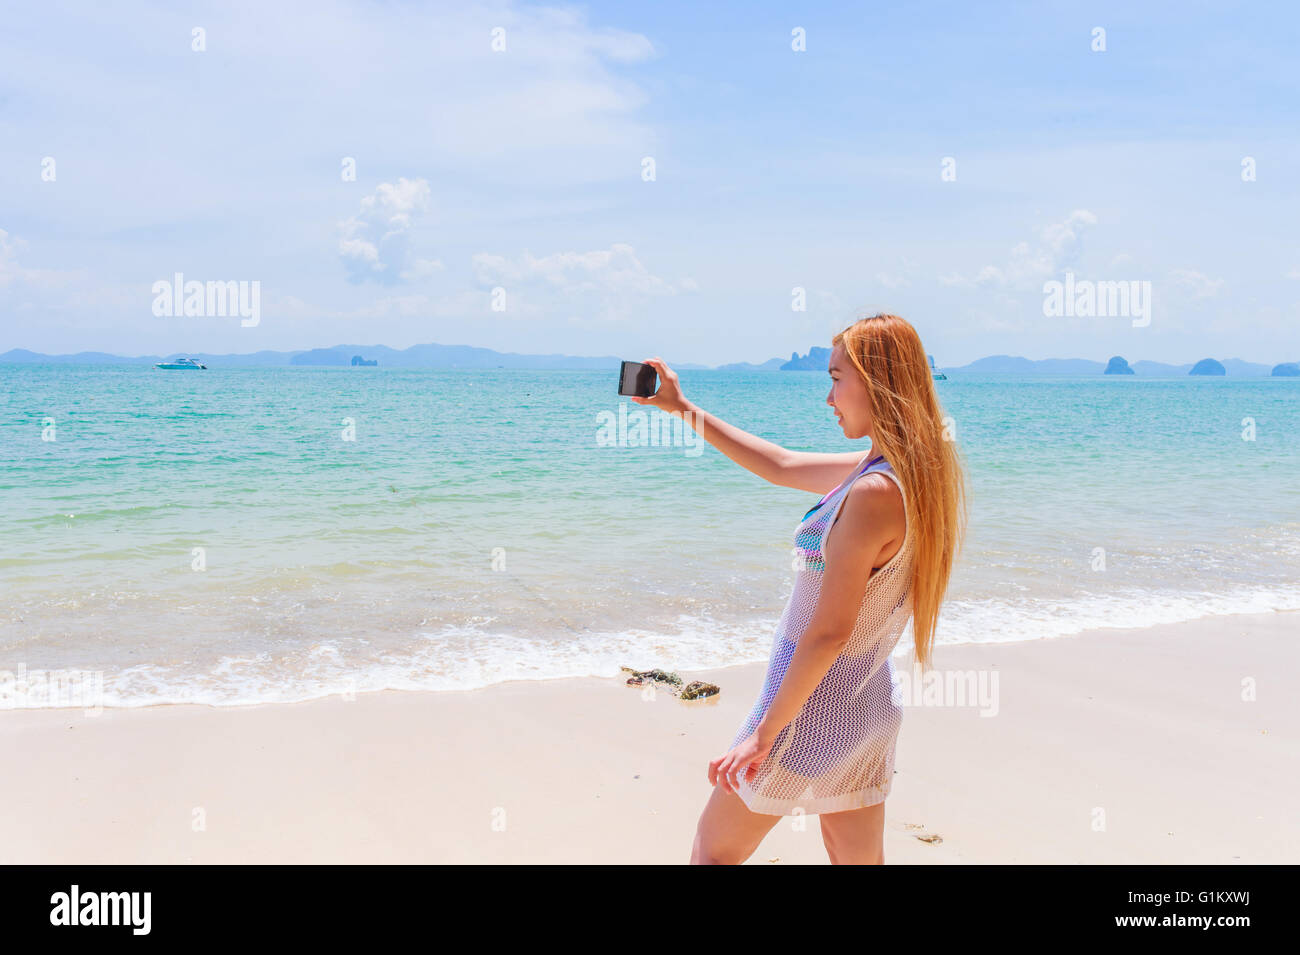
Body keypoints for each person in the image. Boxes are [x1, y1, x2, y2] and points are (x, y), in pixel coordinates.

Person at [631, 313, 967, 865]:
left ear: (878, 383)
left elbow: (829, 633)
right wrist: (682, 408)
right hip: (865, 705)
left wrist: (764, 734)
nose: (828, 397)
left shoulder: (875, 492)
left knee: (711, 856)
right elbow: (781, 465)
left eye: (836, 378)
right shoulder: (906, 474)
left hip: (809, 711)